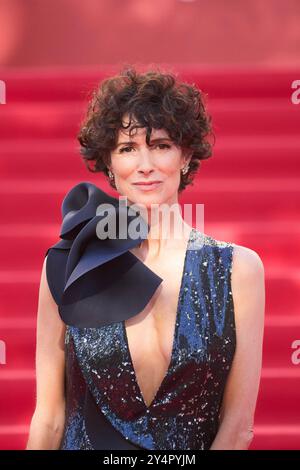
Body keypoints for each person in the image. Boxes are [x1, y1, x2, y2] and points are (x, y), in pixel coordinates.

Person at [26, 66, 265, 450]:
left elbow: (238, 427)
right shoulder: (66, 264)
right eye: (127, 148)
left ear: (185, 155)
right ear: (109, 165)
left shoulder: (238, 270)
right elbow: (50, 418)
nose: (145, 165)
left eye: (160, 145)